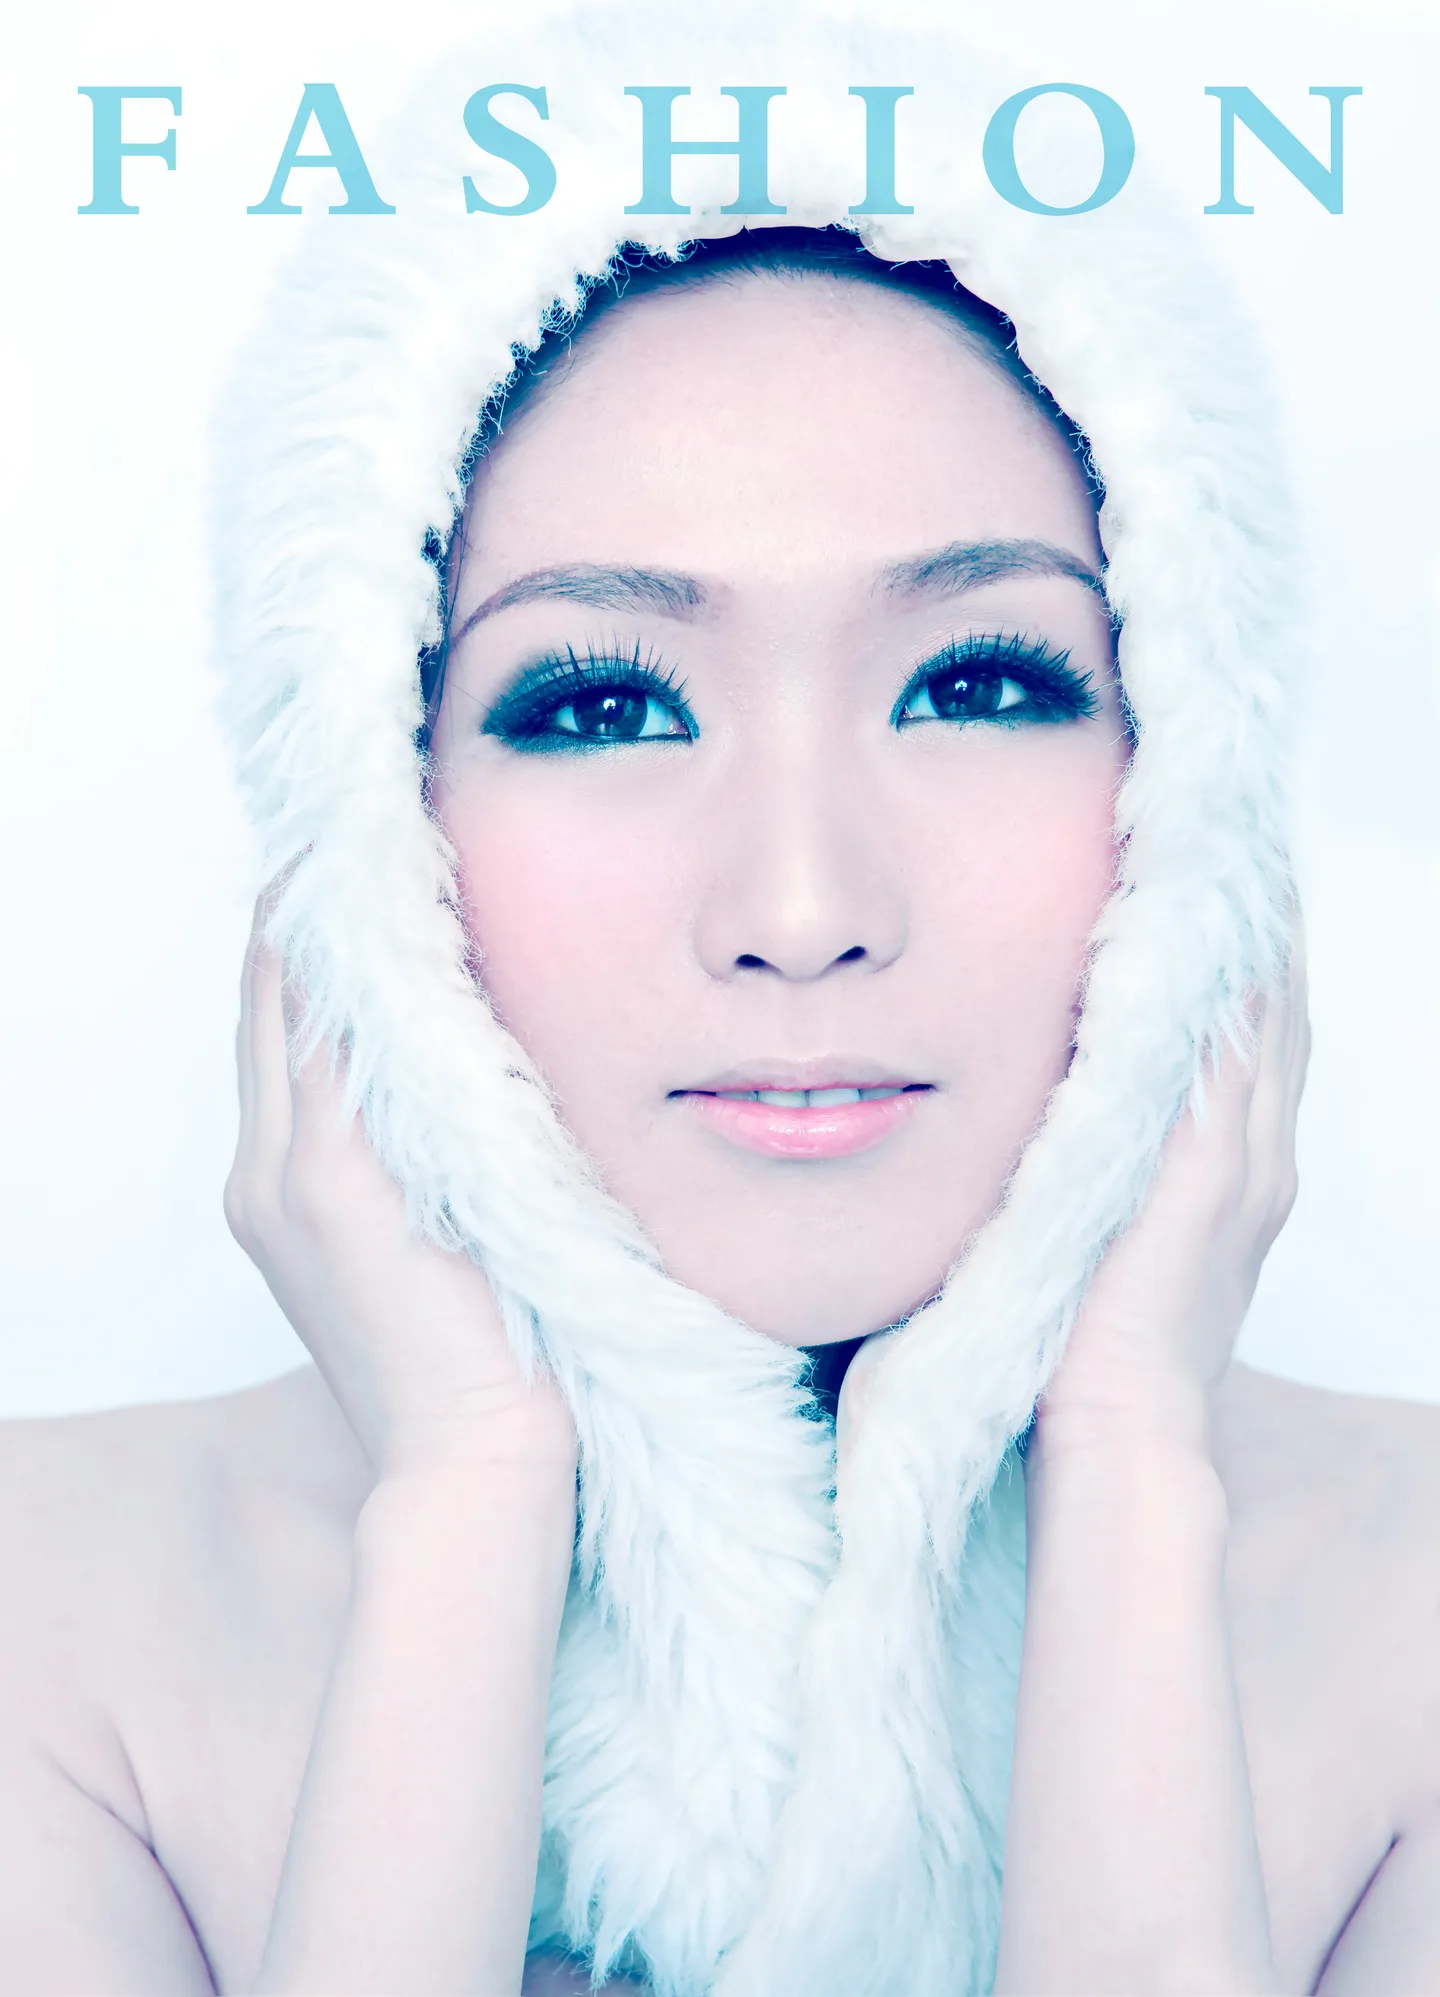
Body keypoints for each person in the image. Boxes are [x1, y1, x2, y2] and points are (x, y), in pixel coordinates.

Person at [2, 143, 1439, 1997]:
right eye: (604, 704)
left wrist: (1131, 1468)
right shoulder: (48, 1608)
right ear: (369, 831)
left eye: (979, 684)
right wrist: (466, 1494)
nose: (803, 910)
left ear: (1190, 791)